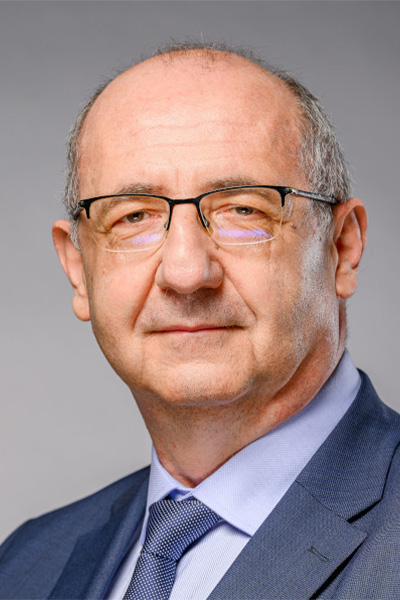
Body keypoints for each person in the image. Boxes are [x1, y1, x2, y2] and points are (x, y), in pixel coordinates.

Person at [1, 42, 399, 600]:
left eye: (244, 210)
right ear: (78, 269)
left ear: (342, 248)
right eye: (133, 216)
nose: (187, 273)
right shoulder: (25, 565)